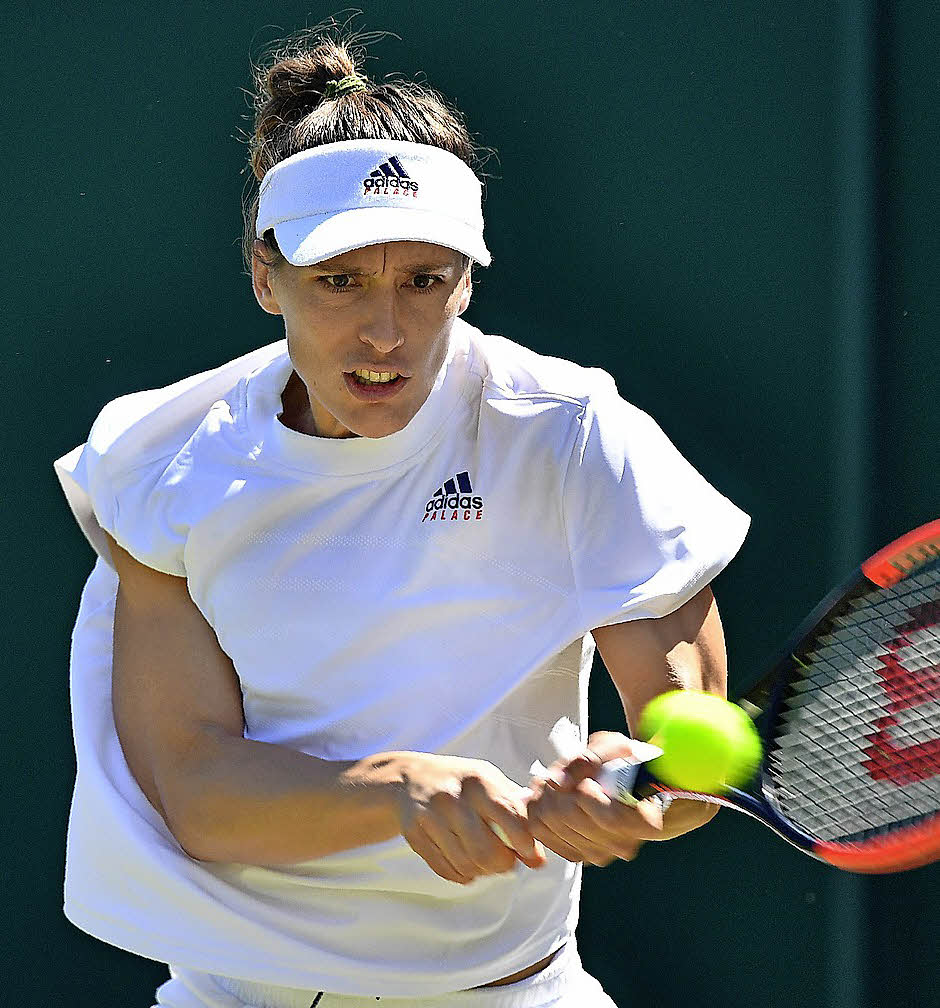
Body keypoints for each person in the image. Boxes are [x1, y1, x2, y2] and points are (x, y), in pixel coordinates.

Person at [55, 22, 750, 1008]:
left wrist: (632, 783)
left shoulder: (569, 434)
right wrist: (397, 790)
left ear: (466, 283)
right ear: (264, 277)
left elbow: (690, 753)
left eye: (423, 281)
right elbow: (199, 795)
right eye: (338, 281)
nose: (384, 332)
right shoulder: (167, 463)